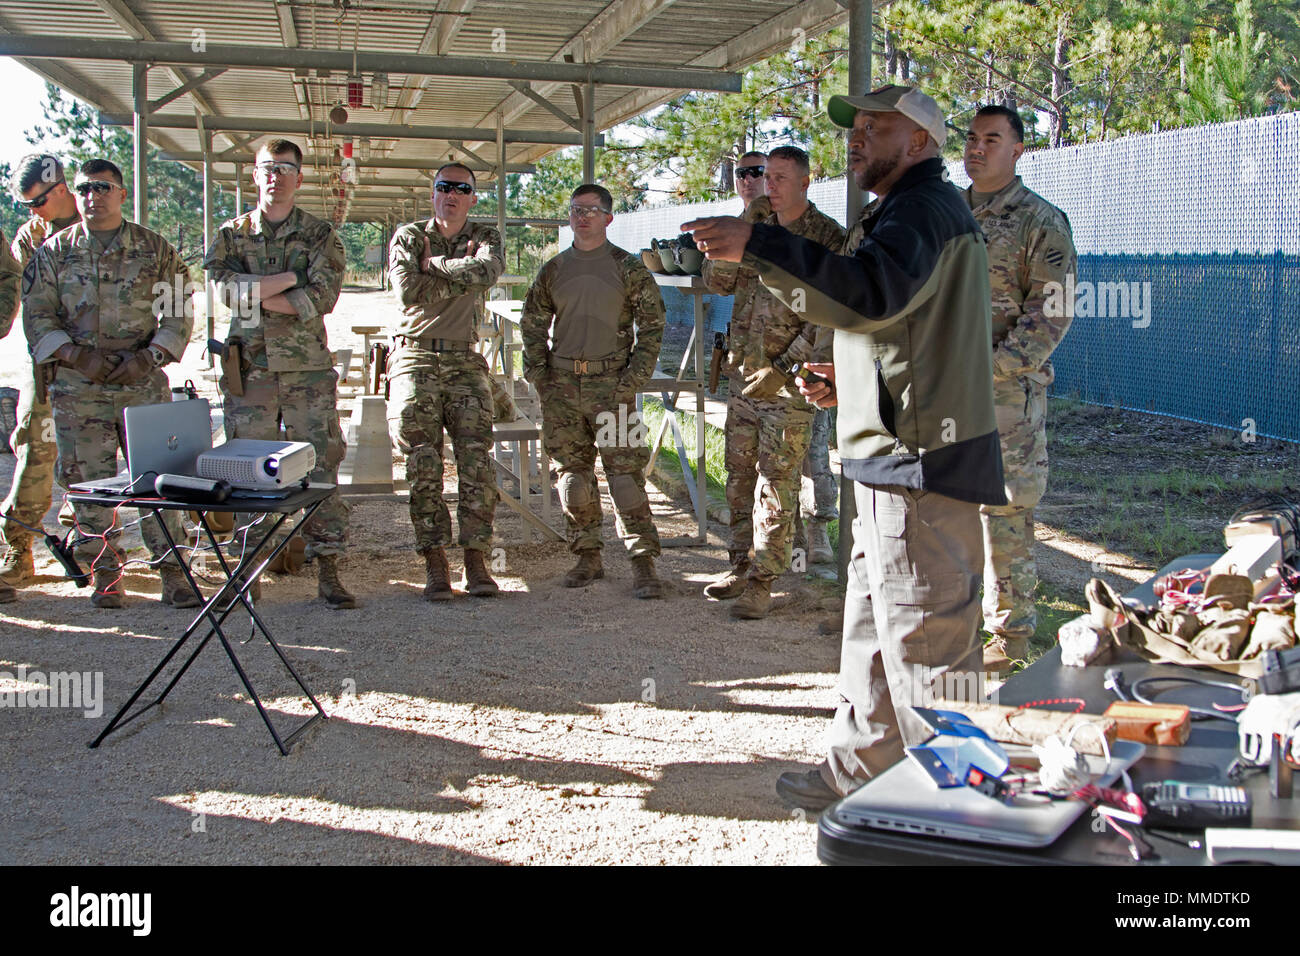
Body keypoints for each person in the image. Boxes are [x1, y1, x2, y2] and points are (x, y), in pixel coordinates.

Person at [685, 85, 1006, 811]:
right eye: (855, 128)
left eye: (876, 127)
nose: (857, 138)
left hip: (921, 461)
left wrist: (760, 242)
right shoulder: (902, 208)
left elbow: (870, 291)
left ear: (920, 142)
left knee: (925, 644)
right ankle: (860, 772)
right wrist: (849, 379)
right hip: (891, 453)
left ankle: (953, 808)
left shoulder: (923, 207)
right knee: (873, 630)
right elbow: (895, 321)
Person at [22, 158, 197, 609]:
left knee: (159, 480)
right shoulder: (53, 253)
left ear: (121, 194)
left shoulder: (154, 249)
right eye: (83, 189)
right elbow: (38, 314)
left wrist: (151, 357)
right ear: (74, 195)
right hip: (79, 388)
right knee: (87, 483)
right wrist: (73, 354)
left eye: (103, 188)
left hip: (140, 384)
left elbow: (179, 308)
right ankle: (106, 572)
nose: (92, 197)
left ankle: (174, 573)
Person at [204, 138, 356, 609]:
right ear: (255, 175)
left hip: (306, 372)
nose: (276, 176)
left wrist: (256, 292)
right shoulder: (231, 236)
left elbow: (320, 300)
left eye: (286, 168)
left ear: (299, 178)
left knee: (319, 464)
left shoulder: (320, 234)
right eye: (268, 168)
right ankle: (248, 569)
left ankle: (328, 566)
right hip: (250, 372)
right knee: (248, 467)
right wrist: (290, 279)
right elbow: (222, 291)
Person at [699, 146, 844, 619]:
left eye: (780, 177)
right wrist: (742, 225)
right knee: (738, 478)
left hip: (789, 386)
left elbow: (831, 317)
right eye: (763, 176)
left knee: (777, 484)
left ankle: (764, 581)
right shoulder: (754, 226)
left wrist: (785, 368)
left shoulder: (826, 237)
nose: (769, 185)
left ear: (806, 181)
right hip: (742, 375)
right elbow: (717, 282)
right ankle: (739, 565)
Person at [964, 104, 1077, 674]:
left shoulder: (1040, 222)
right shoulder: (946, 215)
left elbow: (1052, 313)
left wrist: (992, 368)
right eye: (971, 137)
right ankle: (951, 627)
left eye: (992, 139)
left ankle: (1007, 644)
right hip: (941, 391)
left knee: (1004, 513)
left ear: (1017, 151)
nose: (977, 148)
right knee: (944, 504)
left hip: (1006, 393)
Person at [520, 184, 666, 598]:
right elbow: (532, 323)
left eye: (592, 210)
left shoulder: (628, 268)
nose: (582, 216)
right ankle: (587, 555)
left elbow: (653, 325)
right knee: (574, 480)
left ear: (608, 218)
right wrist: (540, 375)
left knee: (626, 479)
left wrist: (633, 380)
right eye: (576, 209)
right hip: (562, 387)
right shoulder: (553, 269)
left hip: (613, 387)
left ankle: (643, 562)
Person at [387, 162, 504, 601]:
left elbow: (487, 274)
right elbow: (407, 291)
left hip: (463, 359)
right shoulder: (408, 237)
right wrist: (460, 272)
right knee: (423, 462)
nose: (451, 195)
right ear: (432, 193)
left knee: (476, 460)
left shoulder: (486, 236)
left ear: (472, 197)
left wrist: (433, 266)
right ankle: (435, 562)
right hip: (414, 354)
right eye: (443, 187)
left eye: (461, 189)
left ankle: (476, 560)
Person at [2, 154, 79, 597]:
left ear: (62, 187)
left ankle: (86, 541)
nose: (34, 211)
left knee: (94, 457)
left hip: (99, 360)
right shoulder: (30, 238)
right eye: (27, 204)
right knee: (35, 444)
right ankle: (18, 546)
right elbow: (29, 301)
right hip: (47, 357)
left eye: (39, 201)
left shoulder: (100, 220)